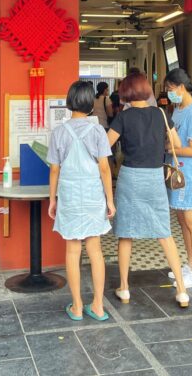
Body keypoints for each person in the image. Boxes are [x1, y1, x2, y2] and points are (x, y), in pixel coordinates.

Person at [107, 72, 189, 308]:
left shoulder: (124, 117)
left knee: (126, 233)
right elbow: (177, 144)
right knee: (165, 232)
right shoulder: (161, 113)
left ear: (126, 93)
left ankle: (124, 288)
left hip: (130, 177)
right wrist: (156, 143)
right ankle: (182, 291)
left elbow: (105, 145)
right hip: (154, 177)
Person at [48, 81, 115, 321]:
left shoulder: (58, 132)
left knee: (72, 250)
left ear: (70, 101)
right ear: (89, 103)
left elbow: (54, 170)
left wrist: (52, 199)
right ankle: (97, 305)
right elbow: (105, 169)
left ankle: (77, 306)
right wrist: (110, 200)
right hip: (92, 195)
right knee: (95, 250)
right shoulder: (98, 131)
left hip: (69, 195)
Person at [163, 68, 192, 288]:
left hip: (189, 173)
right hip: (177, 172)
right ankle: (190, 265)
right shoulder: (178, 110)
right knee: (182, 220)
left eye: (171, 89)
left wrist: (171, 149)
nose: (169, 93)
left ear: (181, 87)